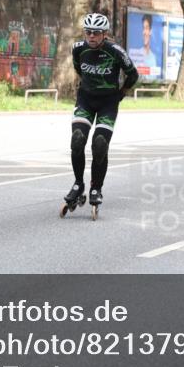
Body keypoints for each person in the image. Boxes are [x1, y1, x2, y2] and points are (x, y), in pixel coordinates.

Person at [62, 13, 139, 220]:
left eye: (96, 33)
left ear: (104, 34)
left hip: (108, 103)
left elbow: (133, 75)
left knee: (99, 144)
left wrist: (121, 93)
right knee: (77, 139)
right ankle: (78, 184)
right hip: (86, 100)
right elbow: (79, 69)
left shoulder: (115, 51)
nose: (92, 36)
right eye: (88, 32)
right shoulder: (78, 48)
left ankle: (97, 187)